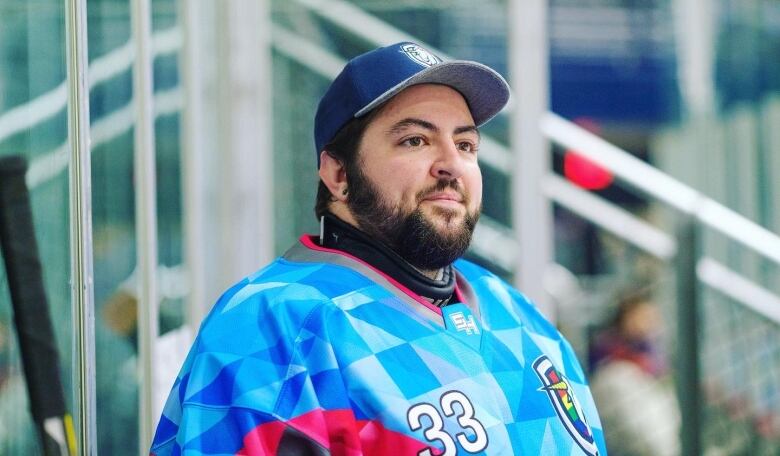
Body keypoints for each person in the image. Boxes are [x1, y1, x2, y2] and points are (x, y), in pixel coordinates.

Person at [150, 42, 606, 455]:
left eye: (465, 144)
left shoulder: (516, 311)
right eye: (416, 140)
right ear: (338, 175)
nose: (451, 164)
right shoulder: (274, 323)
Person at [589, 288, 680, 456]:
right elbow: (649, 444)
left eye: (654, 318)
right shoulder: (613, 374)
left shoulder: (653, 373)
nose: (653, 326)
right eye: (644, 318)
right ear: (626, 321)